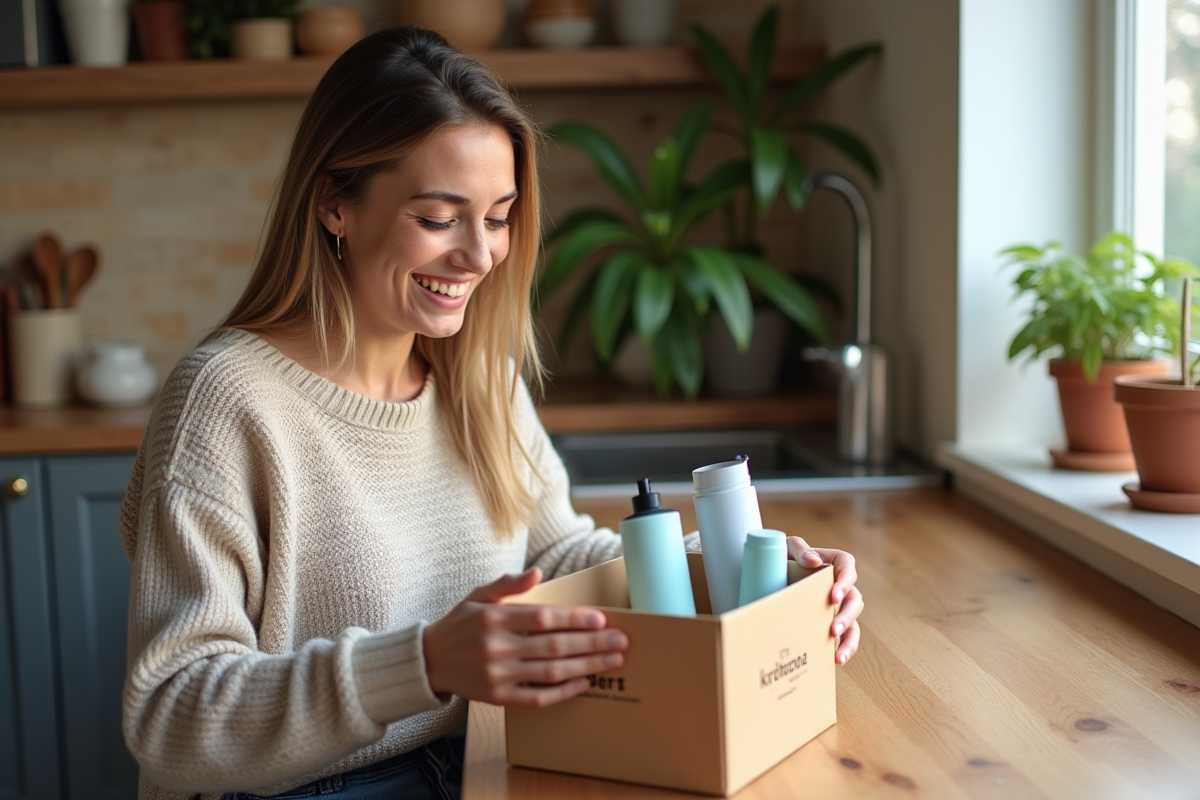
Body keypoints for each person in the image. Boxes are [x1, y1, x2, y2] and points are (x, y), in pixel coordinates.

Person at [119, 25, 864, 800]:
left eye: (500, 216)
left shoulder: (475, 374)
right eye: (439, 219)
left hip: (482, 759)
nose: (479, 256)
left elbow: (563, 552)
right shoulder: (228, 401)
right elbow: (171, 716)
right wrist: (426, 663)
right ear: (334, 204)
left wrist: (754, 574)